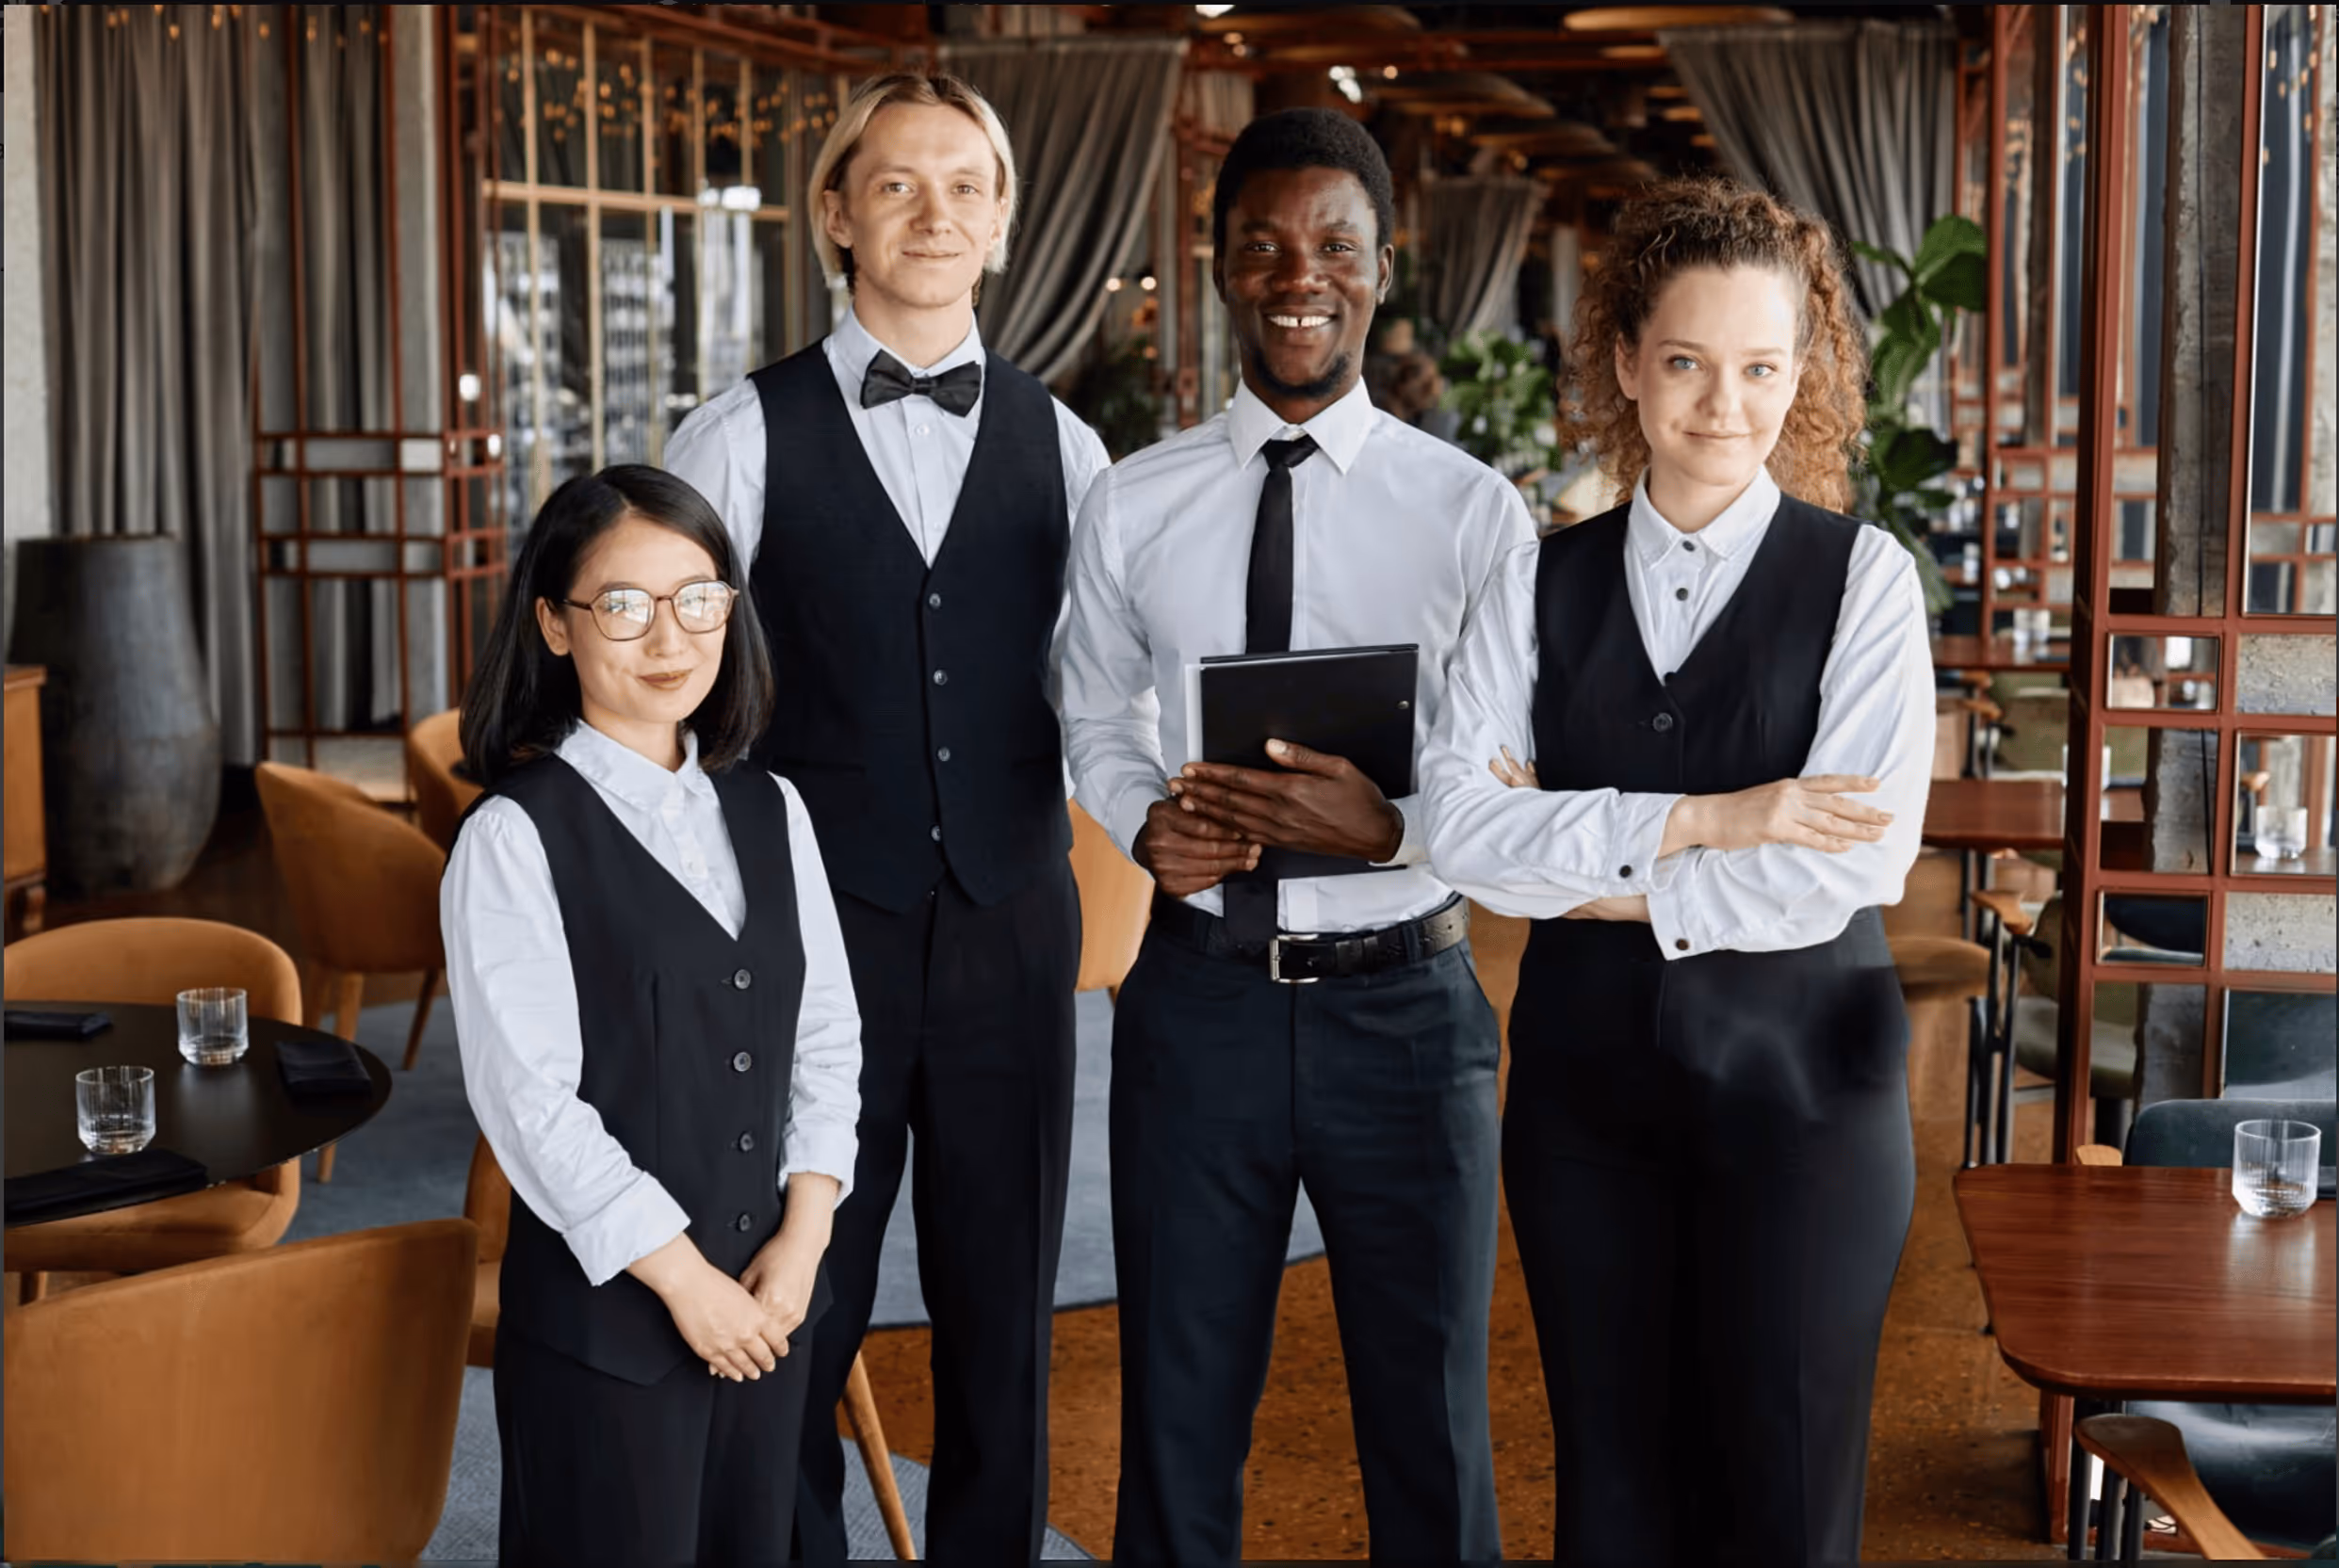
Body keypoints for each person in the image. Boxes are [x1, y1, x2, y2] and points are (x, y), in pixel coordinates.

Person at [1421, 176, 1932, 1566]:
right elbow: (1457, 832)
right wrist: (1720, 818)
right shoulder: (1534, 577)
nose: (1724, 403)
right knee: (1610, 1489)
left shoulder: (1863, 580)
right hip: (1584, 1100)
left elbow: (1853, 861)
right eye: (1689, 363)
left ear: (1801, 371)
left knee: (1782, 1487)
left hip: (1806, 1097)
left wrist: (1573, 856)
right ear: (1626, 364)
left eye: (1761, 367)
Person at [1062, 107, 1529, 1565]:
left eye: (1332, 244)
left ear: (1380, 267)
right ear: (1214, 265)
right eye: (1259, 244)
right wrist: (1146, 822)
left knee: (1431, 1423)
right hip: (1196, 1005)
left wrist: (1394, 824)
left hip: (1407, 1011)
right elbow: (1088, 712)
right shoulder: (1133, 502)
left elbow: (1509, 775)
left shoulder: (1470, 515)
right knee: (1177, 1414)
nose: (1295, 274)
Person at [662, 72, 1109, 1565]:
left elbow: (1107, 698)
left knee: (1005, 1307)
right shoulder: (735, 435)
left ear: (999, 223)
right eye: (897, 184)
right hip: (805, 942)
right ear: (835, 213)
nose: (933, 213)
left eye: (965, 186)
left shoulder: (1069, 447)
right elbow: (669, 704)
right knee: (797, 1290)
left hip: (1007, 922)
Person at [442, 464, 861, 1568]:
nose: (667, 637)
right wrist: (688, 1288)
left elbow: (826, 1038)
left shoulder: (772, 806)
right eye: (622, 605)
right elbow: (534, 1108)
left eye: (698, 599)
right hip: (612, 1334)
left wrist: (803, 1243)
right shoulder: (513, 837)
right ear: (554, 624)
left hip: (770, 1311)